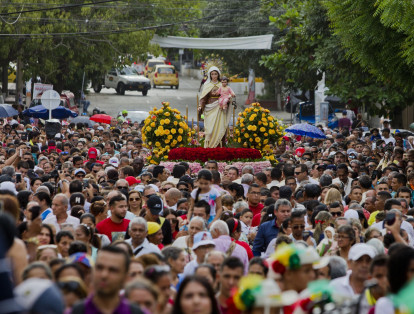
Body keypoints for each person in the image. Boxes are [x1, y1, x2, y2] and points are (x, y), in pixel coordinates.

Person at [71, 246, 143, 314]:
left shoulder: (136, 312)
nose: (104, 275)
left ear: (125, 276)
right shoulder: (75, 311)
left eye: (113, 270)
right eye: (99, 268)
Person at [198, 66, 231, 148]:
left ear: (218, 75)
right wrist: (200, 106)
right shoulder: (207, 85)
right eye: (212, 74)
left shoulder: (221, 84)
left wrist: (228, 100)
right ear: (210, 75)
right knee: (209, 130)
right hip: (210, 109)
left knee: (220, 128)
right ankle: (209, 146)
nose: (214, 76)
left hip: (220, 108)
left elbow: (227, 95)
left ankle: (219, 147)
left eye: (215, 74)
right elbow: (203, 98)